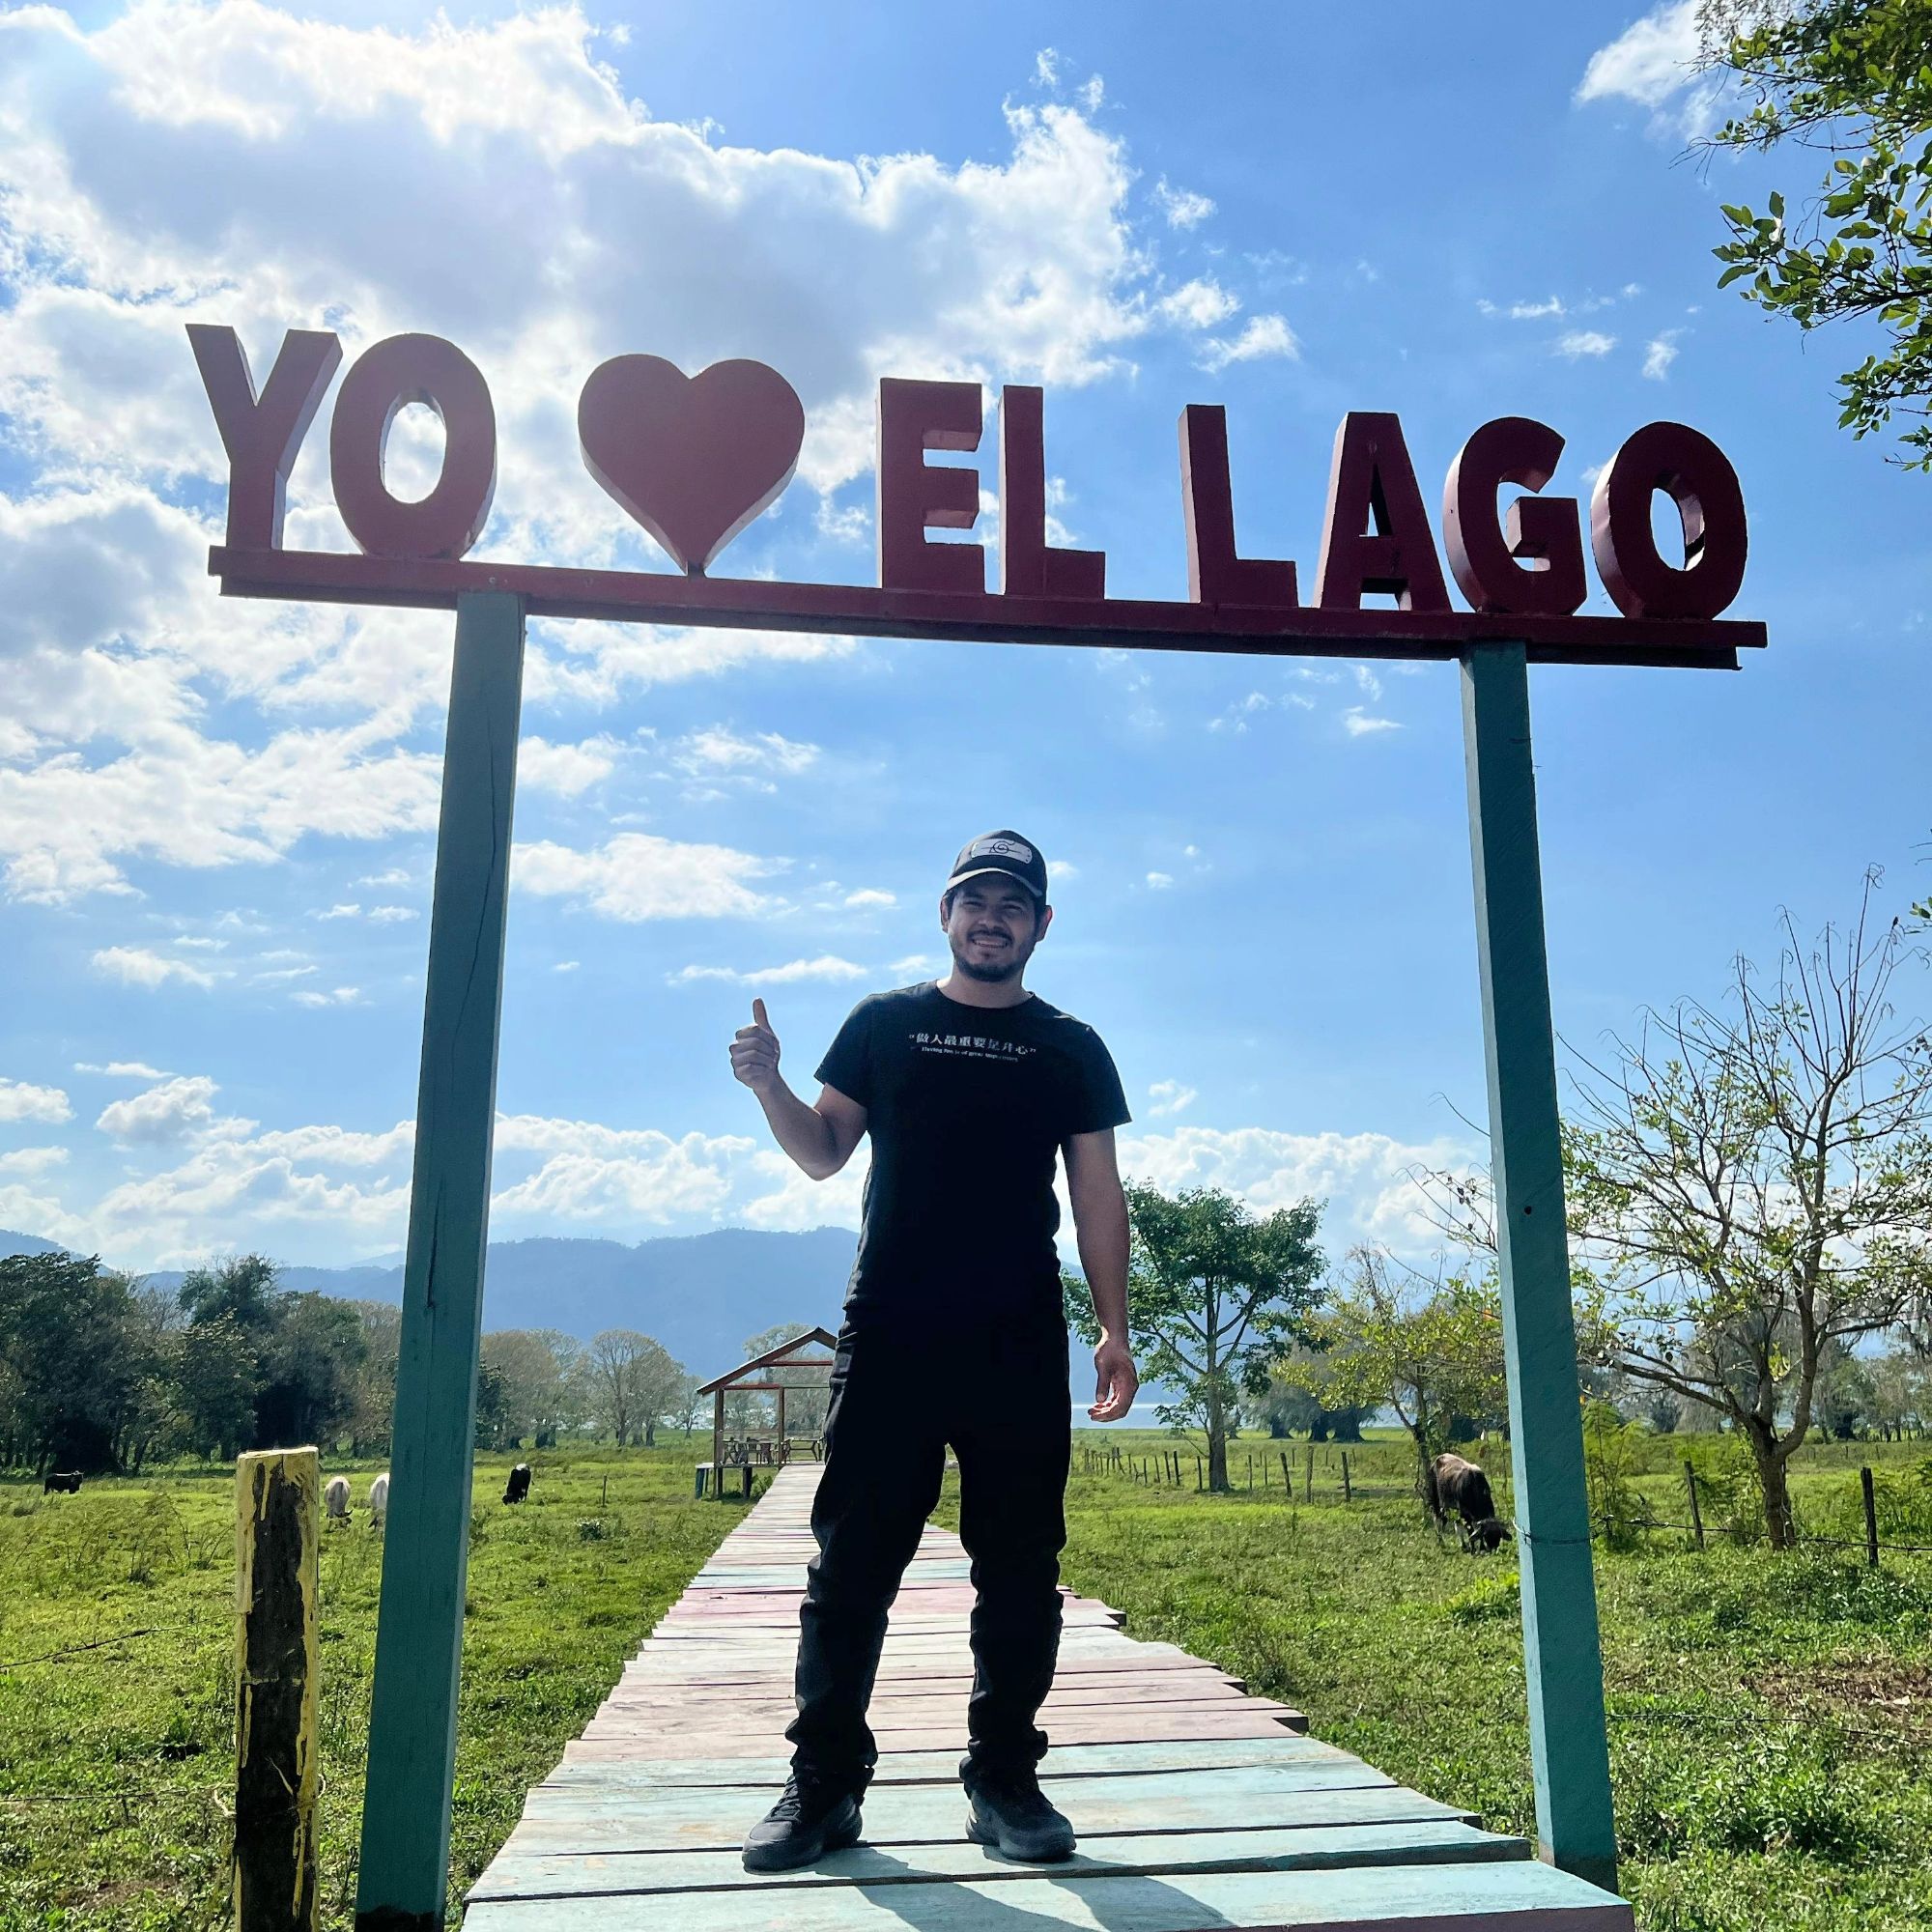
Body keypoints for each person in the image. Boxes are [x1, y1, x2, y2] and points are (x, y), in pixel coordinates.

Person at [728, 829, 1137, 1871]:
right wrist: (770, 1086)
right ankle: (824, 1784)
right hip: (891, 1330)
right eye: (975, 902)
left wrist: (1113, 1327)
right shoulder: (884, 1023)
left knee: (1020, 1568)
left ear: (1041, 924)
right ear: (945, 915)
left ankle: (1004, 1780)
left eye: (1012, 905)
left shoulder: (1070, 1045)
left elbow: (1097, 1193)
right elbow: (824, 1152)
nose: (991, 919)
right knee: (851, 1565)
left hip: (1016, 1336)